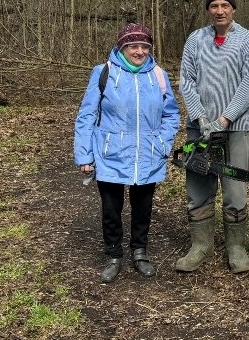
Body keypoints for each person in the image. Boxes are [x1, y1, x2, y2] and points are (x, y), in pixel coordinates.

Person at [74, 23, 180, 283]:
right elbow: (87, 115)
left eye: (144, 46)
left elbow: (171, 114)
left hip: (148, 153)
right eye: (133, 46)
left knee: (143, 207)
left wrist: (163, 143)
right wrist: (85, 155)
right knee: (111, 209)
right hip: (110, 153)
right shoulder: (104, 72)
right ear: (122, 47)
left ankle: (139, 252)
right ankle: (113, 255)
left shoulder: (158, 75)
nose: (139, 51)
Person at [176, 0, 249, 274]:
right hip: (199, 129)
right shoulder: (195, 40)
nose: (219, 10)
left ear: (233, 9)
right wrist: (201, 118)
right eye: (214, 6)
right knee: (198, 186)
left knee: (235, 188)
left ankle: (236, 248)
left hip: (237, 128)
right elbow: (186, 80)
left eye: (225, 5)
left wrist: (225, 119)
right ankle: (200, 245)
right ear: (208, 10)